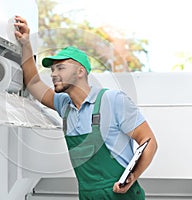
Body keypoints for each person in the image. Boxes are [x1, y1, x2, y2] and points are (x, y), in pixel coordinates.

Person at [14, 15, 158, 200]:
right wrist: (26, 44)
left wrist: (132, 177)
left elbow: (149, 141)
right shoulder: (64, 105)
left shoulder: (112, 100)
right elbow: (33, 83)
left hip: (121, 195)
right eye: (52, 70)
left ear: (80, 71)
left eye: (61, 68)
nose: (54, 74)